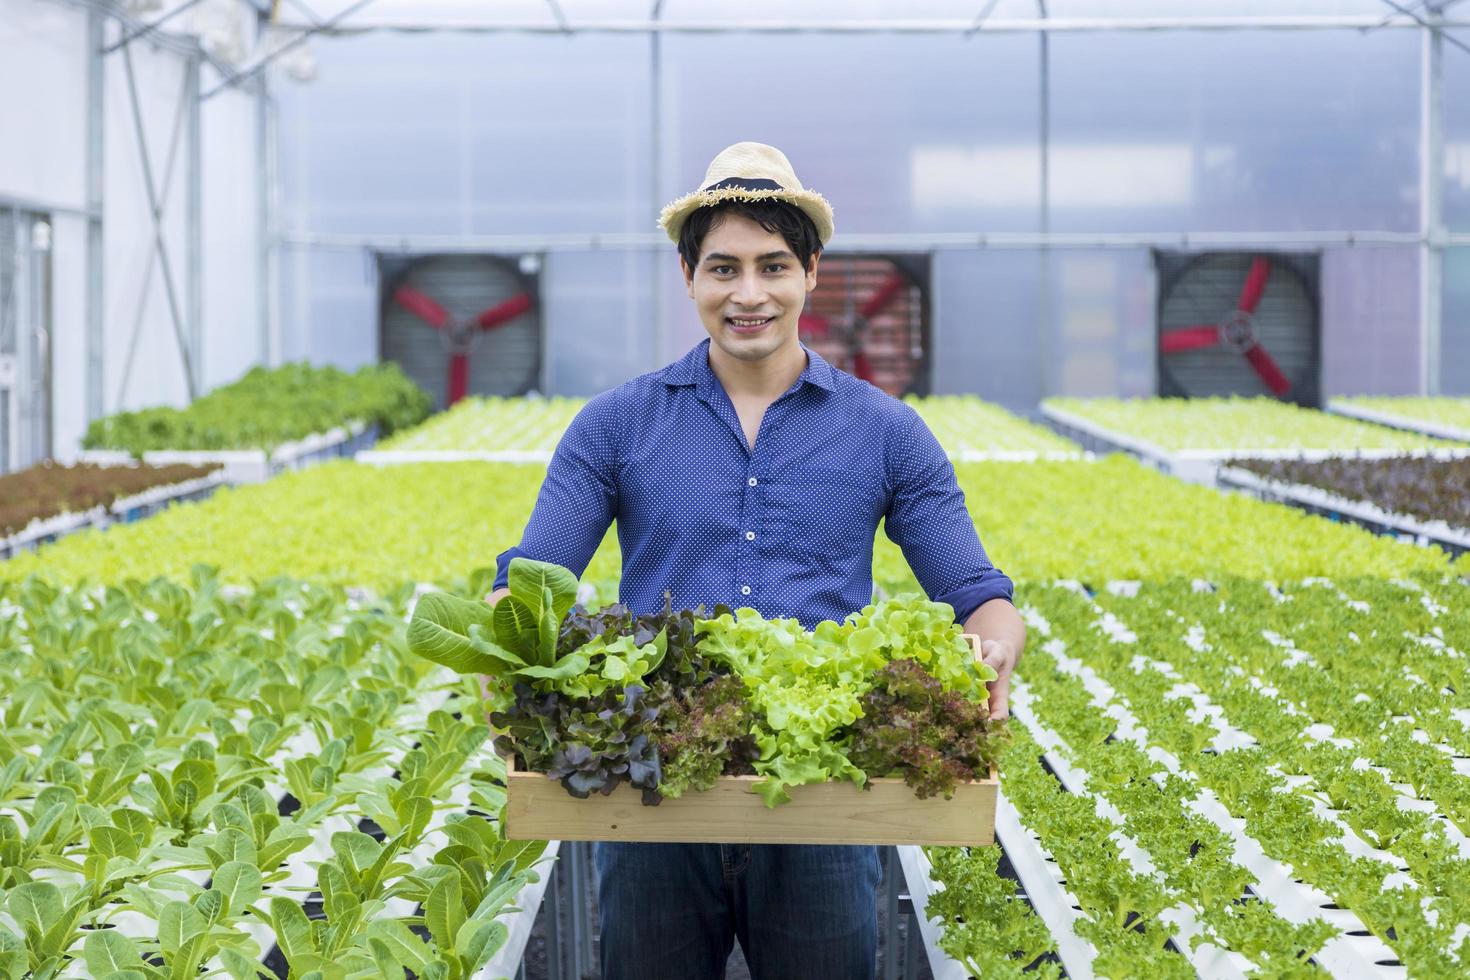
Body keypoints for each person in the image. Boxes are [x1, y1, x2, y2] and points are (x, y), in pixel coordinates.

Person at [488, 141, 1025, 980]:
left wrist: (996, 644)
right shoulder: (615, 426)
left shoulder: (887, 433)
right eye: (723, 268)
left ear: (812, 272)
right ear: (688, 276)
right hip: (653, 793)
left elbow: (975, 591)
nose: (749, 294)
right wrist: (504, 642)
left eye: (773, 266)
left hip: (823, 801)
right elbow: (530, 582)